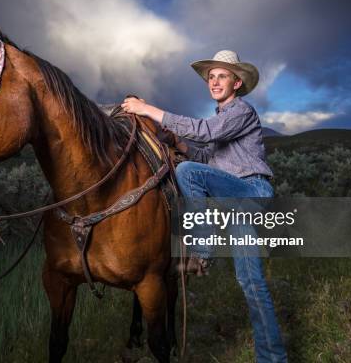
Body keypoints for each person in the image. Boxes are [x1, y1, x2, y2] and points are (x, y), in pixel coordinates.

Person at [121, 50, 288, 362]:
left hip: (251, 191)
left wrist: (148, 109)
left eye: (222, 76)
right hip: (235, 200)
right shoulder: (221, 120)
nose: (214, 81)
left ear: (237, 83)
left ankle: (203, 248)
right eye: (211, 77)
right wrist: (177, 143)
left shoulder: (241, 111)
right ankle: (274, 359)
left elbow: (203, 133)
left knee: (185, 172)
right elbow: (205, 158)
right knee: (251, 283)